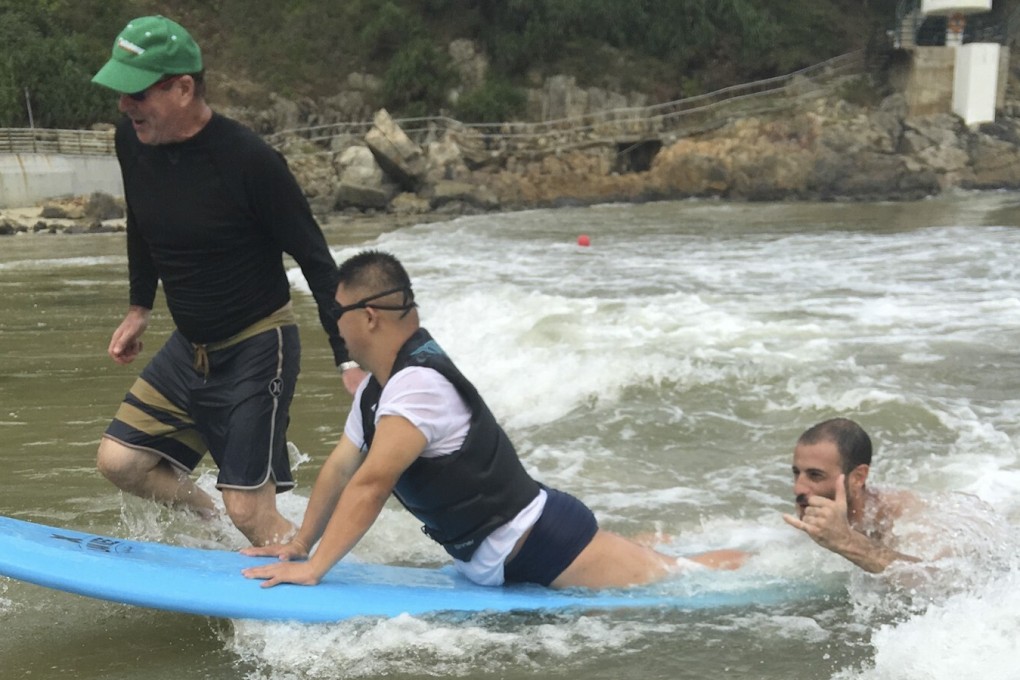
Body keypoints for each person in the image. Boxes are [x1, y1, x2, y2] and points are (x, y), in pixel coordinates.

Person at [241, 250, 745, 589]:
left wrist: (317, 570)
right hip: (509, 550)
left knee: (684, 576)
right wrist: (302, 544)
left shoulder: (416, 386)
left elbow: (371, 485)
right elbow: (341, 467)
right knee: (661, 561)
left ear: (369, 315)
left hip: (545, 545)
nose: (335, 324)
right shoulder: (380, 386)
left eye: (338, 312)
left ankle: (764, 557)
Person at [90, 15, 366, 546]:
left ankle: (311, 574)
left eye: (136, 93)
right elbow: (141, 219)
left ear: (183, 88)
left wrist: (348, 358)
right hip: (190, 348)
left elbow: (316, 259)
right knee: (120, 461)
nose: (124, 105)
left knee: (252, 511)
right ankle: (213, 517)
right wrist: (139, 305)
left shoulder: (250, 162)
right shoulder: (133, 140)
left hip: (256, 346)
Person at [782, 417, 922, 573]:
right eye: (796, 473)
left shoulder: (904, 516)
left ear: (858, 478)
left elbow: (938, 582)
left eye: (815, 475)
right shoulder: (815, 516)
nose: (798, 489)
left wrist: (846, 541)